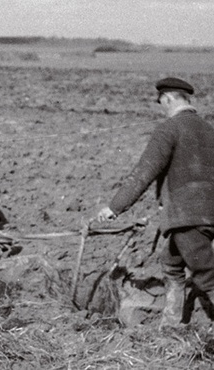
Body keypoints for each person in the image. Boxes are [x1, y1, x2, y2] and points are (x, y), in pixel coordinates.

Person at [97, 77, 214, 328]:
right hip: (207, 213)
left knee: (207, 276)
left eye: (161, 101)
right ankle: (171, 326)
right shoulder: (208, 129)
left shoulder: (169, 129)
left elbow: (144, 172)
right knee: (171, 263)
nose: (161, 106)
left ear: (169, 98)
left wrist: (114, 207)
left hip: (186, 216)